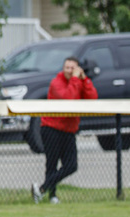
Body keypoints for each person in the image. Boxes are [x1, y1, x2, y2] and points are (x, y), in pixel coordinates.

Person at [32, 56, 98, 204]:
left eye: (72, 68)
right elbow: (69, 100)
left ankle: (41, 189)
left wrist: (85, 79)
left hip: (68, 130)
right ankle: (51, 196)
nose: (69, 71)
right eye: (66, 67)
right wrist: (75, 80)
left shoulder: (79, 82)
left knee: (71, 166)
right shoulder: (56, 83)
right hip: (51, 128)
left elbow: (92, 98)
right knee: (52, 164)